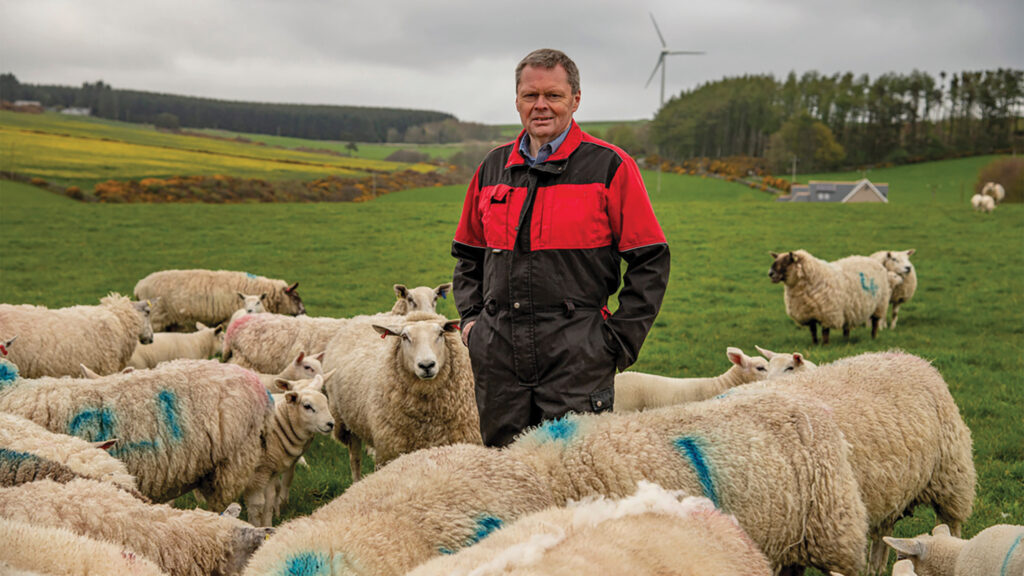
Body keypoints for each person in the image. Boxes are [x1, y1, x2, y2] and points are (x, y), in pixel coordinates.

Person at [451, 48, 670, 447]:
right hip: (499, 361)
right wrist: (472, 325)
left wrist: (616, 342)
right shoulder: (492, 168)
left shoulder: (610, 166)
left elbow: (650, 260)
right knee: (504, 472)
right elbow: (468, 255)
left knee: (574, 472)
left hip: (577, 359)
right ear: (517, 101)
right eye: (530, 95)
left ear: (575, 100)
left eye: (553, 95)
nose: (541, 106)